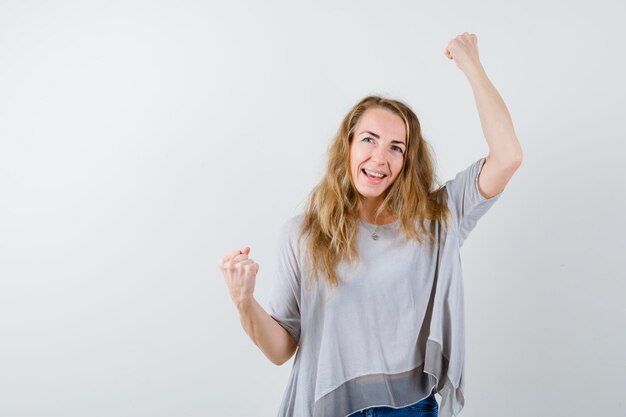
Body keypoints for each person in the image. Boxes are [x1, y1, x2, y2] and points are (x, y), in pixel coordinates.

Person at [218, 32, 523, 417]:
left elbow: (508, 156)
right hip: (328, 408)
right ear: (347, 145)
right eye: (369, 140)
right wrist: (245, 303)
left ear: (408, 161)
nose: (380, 157)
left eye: (396, 147)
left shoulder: (436, 218)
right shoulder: (303, 234)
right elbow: (281, 350)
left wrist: (471, 65)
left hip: (410, 409)